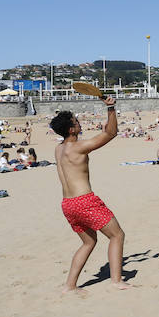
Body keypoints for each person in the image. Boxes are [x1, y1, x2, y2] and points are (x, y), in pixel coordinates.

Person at [51, 97, 129, 293]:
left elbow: (105, 132)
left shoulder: (58, 149)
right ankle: (116, 281)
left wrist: (107, 125)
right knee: (117, 235)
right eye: (76, 122)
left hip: (67, 204)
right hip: (85, 201)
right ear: (71, 129)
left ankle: (69, 286)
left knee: (89, 241)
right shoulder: (78, 147)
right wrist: (110, 108)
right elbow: (111, 133)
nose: (80, 123)